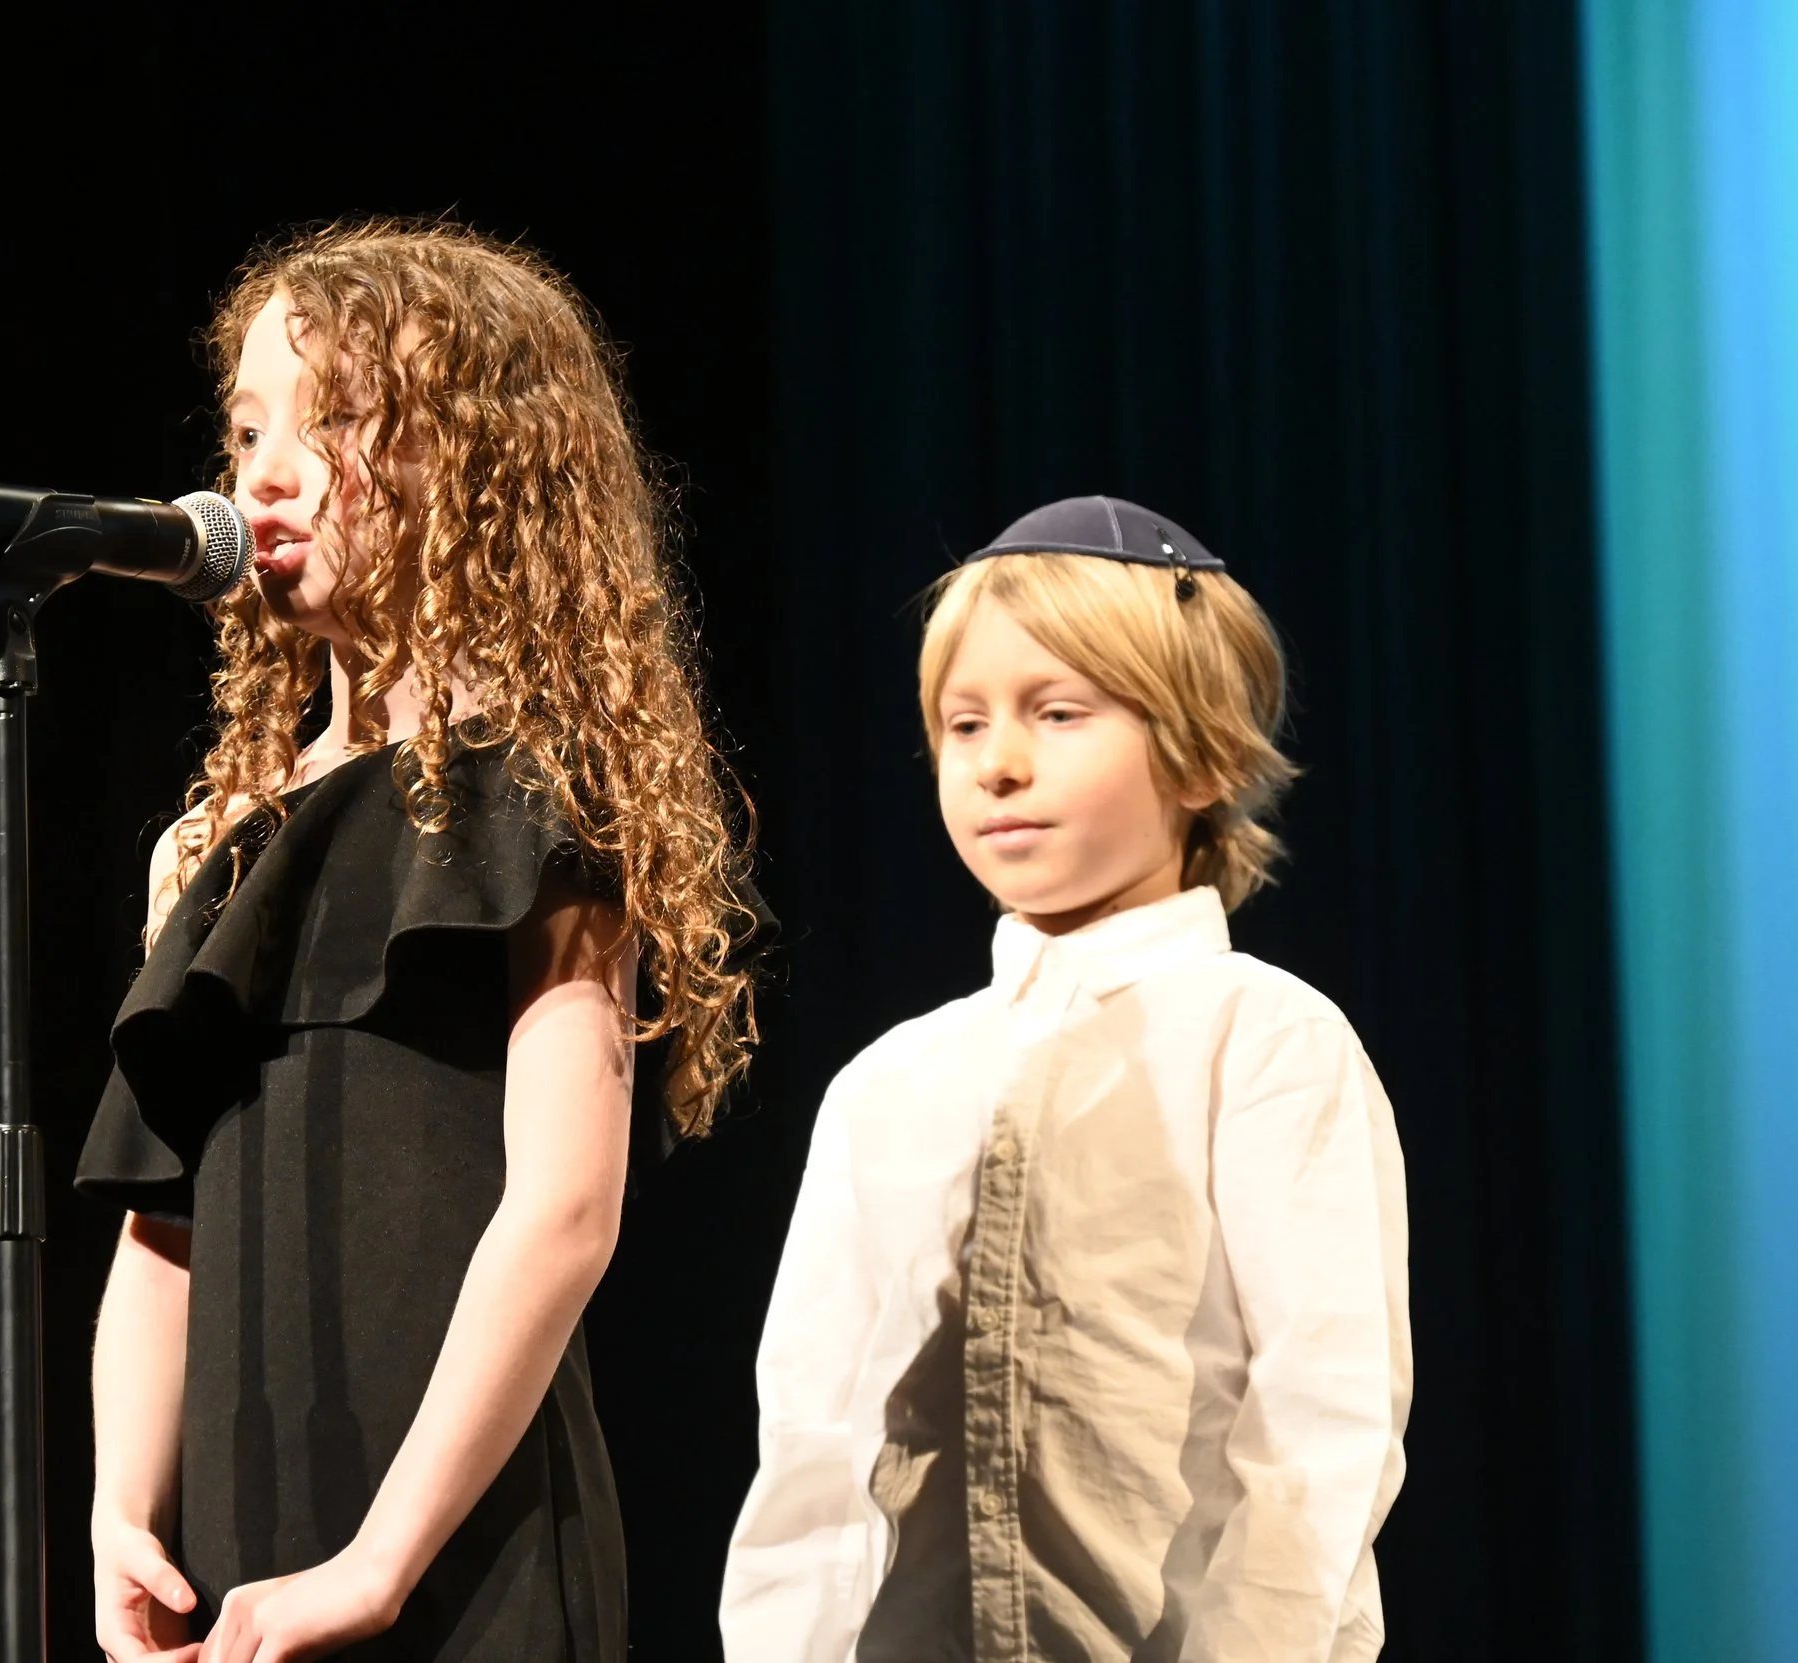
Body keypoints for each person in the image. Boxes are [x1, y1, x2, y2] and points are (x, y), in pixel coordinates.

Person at [80, 221, 764, 1663]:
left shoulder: (541, 789)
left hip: (461, 1550)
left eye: (331, 420)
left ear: (481, 464)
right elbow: (163, 1223)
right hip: (239, 1550)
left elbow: (563, 1208)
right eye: (247, 430)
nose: (264, 473)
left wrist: (378, 1562)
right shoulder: (207, 847)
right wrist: (119, 1508)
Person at [721, 498, 1410, 1662]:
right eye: (964, 723)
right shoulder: (887, 1085)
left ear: (1199, 751)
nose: (999, 763)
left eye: (1058, 712)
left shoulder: (1263, 1041)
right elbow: (812, 1451)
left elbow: (1318, 1424)